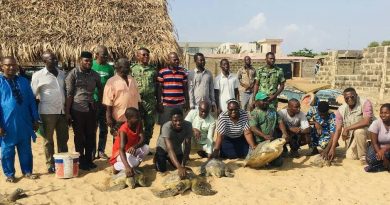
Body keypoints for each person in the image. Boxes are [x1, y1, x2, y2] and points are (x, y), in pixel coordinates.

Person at [0, 56, 40, 182]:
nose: (11, 67)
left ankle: (27, 171)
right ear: (2, 66)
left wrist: (35, 118)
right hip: (7, 124)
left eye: (13, 65)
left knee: (26, 150)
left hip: (24, 122)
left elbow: (31, 102)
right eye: (8, 65)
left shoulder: (23, 81)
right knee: (7, 151)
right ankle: (10, 174)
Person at [31, 51, 68, 173]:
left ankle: (62, 162)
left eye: (56, 58)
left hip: (62, 111)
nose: (55, 61)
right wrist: (35, 116)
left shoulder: (62, 74)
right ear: (44, 61)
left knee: (63, 139)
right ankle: (50, 164)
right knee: (48, 140)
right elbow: (33, 95)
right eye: (52, 59)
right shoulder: (38, 75)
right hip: (47, 112)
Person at [65, 51, 103, 170]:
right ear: (80, 60)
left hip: (91, 108)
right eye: (86, 60)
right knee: (79, 137)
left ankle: (89, 160)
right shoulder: (73, 74)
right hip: (77, 109)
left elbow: (101, 89)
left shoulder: (95, 75)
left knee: (91, 136)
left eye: (90, 61)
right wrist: (67, 112)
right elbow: (69, 94)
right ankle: (80, 161)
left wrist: (99, 103)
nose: (89, 63)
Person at [325, 87, 373, 162]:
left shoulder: (365, 103)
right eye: (347, 98)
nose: (350, 99)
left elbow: (366, 121)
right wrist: (332, 148)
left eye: (352, 96)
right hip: (353, 136)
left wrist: (347, 128)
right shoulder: (341, 110)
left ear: (356, 95)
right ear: (344, 98)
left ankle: (363, 157)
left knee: (359, 131)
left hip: (370, 131)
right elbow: (337, 130)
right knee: (350, 156)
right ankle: (368, 146)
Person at [103, 58, 141, 138]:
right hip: (119, 118)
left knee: (132, 140)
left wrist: (139, 114)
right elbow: (108, 102)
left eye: (129, 66)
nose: (129, 69)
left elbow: (138, 98)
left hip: (133, 119)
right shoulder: (111, 82)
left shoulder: (132, 79)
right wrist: (109, 118)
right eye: (126, 67)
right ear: (119, 68)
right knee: (119, 141)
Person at [110, 107, 149, 176]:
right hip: (119, 154)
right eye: (136, 118)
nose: (139, 119)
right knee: (133, 162)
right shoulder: (123, 130)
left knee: (146, 148)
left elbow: (143, 139)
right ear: (129, 119)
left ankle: (132, 166)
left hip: (130, 150)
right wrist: (127, 167)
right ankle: (116, 167)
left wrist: (135, 147)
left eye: (139, 117)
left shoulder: (139, 123)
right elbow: (121, 150)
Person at [155, 108, 192, 178]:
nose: (178, 123)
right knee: (161, 169)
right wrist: (179, 167)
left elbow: (188, 146)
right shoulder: (166, 127)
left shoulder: (188, 125)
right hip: (163, 147)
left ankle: (170, 159)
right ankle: (158, 156)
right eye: (175, 121)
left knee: (179, 164)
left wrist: (182, 165)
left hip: (176, 148)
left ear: (183, 118)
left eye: (180, 120)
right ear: (171, 120)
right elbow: (169, 149)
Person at [131, 48, 157, 146]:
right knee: (136, 124)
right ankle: (136, 145)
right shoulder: (132, 69)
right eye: (143, 55)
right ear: (138, 56)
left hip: (150, 101)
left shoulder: (153, 70)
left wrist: (158, 101)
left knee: (150, 124)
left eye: (147, 55)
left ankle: (145, 145)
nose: (146, 57)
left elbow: (156, 85)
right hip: (137, 101)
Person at [249, 92, 284, 166]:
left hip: (272, 140)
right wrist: (264, 135)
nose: (266, 102)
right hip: (260, 142)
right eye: (263, 100)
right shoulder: (254, 113)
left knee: (278, 163)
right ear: (256, 102)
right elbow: (253, 127)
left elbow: (280, 121)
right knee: (256, 162)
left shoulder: (272, 110)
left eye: (267, 100)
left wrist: (284, 132)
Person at [92, 46, 114, 160]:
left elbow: (112, 85)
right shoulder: (91, 65)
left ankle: (101, 151)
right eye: (103, 55)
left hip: (105, 102)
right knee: (92, 128)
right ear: (96, 55)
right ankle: (92, 152)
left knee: (103, 128)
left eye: (106, 55)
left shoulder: (110, 69)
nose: (105, 57)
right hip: (93, 102)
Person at [157, 52, 188, 127]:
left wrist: (186, 102)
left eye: (177, 60)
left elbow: (185, 88)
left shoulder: (183, 72)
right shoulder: (162, 72)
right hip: (166, 105)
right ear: (168, 61)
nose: (177, 61)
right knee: (164, 126)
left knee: (178, 126)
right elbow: (159, 88)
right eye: (174, 60)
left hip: (179, 104)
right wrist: (159, 103)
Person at [365, 103, 390, 172]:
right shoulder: (376, 123)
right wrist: (383, 157)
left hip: (388, 148)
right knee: (371, 159)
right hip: (377, 147)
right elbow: (374, 143)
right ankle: (385, 164)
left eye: (386, 113)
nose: (383, 115)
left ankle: (382, 165)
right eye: (381, 113)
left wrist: (384, 149)